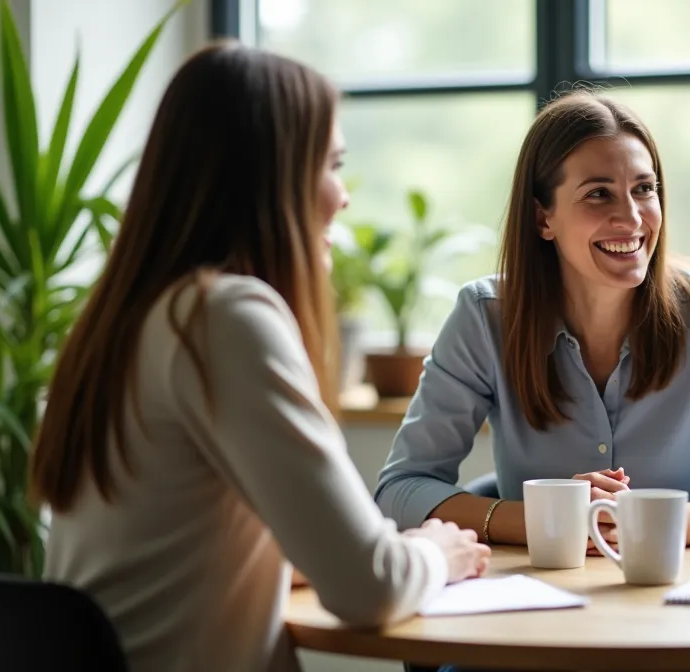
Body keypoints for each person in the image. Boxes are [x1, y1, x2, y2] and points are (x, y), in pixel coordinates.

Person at [32, 43, 489, 672]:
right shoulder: (224, 318)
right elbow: (370, 588)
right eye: (332, 164)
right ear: (271, 177)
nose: (342, 196)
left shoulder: (128, 318)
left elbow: (190, 550)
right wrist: (438, 550)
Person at [374, 90, 690, 552]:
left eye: (644, 189)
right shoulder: (485, 317)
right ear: (543, 217)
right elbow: (401, 489)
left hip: (678, 583)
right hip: (534, 584)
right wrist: (550, 519)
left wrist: (661, 523)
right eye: (599, 194)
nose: (632, 218)